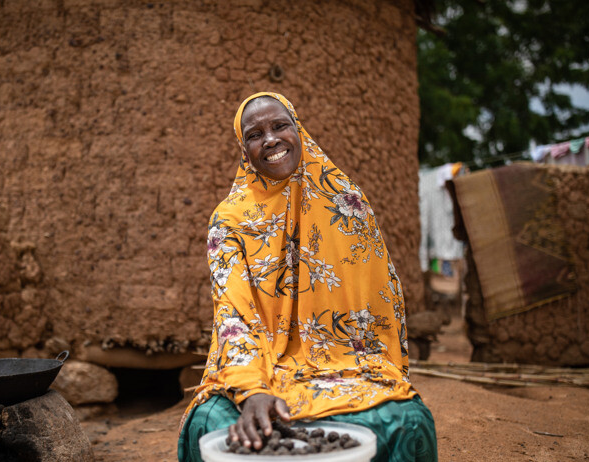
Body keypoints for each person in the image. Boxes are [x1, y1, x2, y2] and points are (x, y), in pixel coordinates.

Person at [178, 92, 437, 461]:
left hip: (348, 364)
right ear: (244, 149)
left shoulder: (345, 203)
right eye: (254, 134)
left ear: (297, 129)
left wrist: (360, 364)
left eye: (280, 126)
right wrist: (252, 390)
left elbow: (379, 306)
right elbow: (233, 316)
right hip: (262, 367)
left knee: (408, 420)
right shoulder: (229, 220)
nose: (270, 139)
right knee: (209, 421)